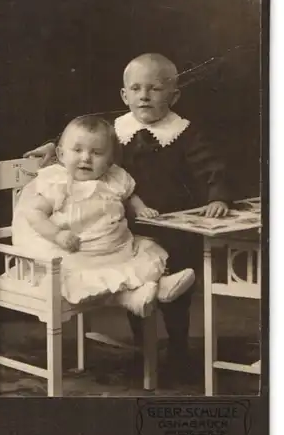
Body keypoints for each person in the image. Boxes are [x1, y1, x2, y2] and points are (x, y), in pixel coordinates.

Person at [23, 53, 230, 381]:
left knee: (177, 291)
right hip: (125, 225)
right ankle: (142, 347)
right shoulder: (117, 129)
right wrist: (55, 146)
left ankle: (178, 349)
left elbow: (210, 167)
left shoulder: (185, 133)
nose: (144, 96)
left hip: (173, 223)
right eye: (136, 89)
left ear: (174, 96)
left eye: (155, 89)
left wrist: (216, 195)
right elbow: (84, 139)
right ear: (125, 95)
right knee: (135, 282)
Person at [13, 115, 195, 317]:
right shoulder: (58, 182)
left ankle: (157, 284)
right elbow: (35, 213)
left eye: (96, 153)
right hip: (76, 252)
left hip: (114, 247)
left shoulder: (115, 178)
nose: (86, 158)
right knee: (91, 277)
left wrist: (141, 207)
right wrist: (57, 235)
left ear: (109, 162)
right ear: (61, 154)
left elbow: (129, 195)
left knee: (146, 250)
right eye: (77, 150)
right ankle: (129, 296)